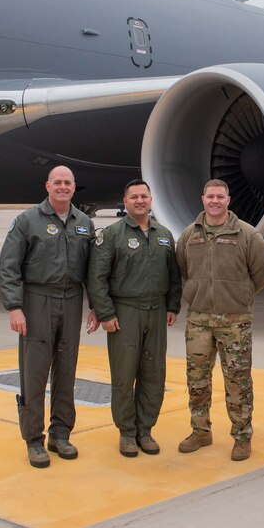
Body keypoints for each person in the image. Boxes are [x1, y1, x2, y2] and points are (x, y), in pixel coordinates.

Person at [0, 165, 95, 469]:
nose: (63, 187)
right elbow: (9, 266)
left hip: (72, 300)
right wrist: (14, 307)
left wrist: (97, 306)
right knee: (35, 373)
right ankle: (33, 440)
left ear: (74, 187)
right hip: (37, 300)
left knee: (66, 371)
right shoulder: (27, 221)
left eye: (68, 183)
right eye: (58, 182)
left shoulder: (84, 223)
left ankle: (60, 434)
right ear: (48, 186)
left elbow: (94, 270)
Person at [175, 179, 264, 461]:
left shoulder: (247, 235)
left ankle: (242, 436)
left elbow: (261, 273)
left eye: (220, 197)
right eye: (210, 197)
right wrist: (197, 293)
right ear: (203, 199)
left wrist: (239, 296)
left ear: (228, 200)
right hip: (199, 320)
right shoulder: (189, 235)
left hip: (235, 321)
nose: (215, 201)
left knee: (238, 381)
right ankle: (200, 430)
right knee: (196, 380)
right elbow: (183, 269)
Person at [87, 179, 182, 457]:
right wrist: (105, 313)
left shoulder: (164, 234)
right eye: (134, 197)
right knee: (124, 375)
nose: (140, 201)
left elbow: (174, 275)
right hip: (125, 312)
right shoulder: (112, 235)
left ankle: (145, 429)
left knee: (154, 374)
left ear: (151, 200)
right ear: (125, 201)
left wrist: (172, 306)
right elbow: (97, 278)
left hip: (157, 312)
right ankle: (127, 432)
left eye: (144, 196)